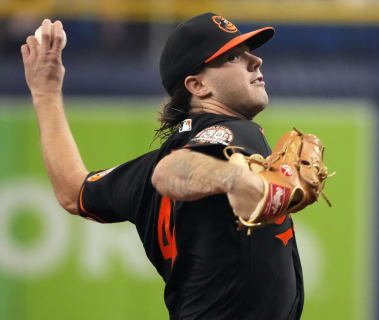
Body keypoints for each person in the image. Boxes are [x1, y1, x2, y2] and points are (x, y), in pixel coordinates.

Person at [21, 13, 304, 319]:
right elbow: (171, 170)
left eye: (249, 51)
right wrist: (234, 177)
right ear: (197, 85)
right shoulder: (234, 133)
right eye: (234, 56)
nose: (255, 61)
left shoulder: (143, 171)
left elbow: (72, 190)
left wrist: (45, 92)